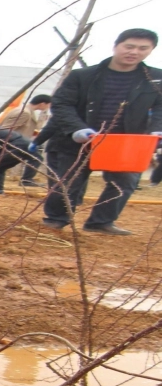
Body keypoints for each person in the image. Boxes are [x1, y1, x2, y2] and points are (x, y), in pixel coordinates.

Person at [40, 28, 162, 235]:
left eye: (143, 48)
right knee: (68, 181)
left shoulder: (156, 79)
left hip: (127, 143)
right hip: (82, 139)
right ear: (116, 46)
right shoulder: (83, 76)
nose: (134, 52)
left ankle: (101, 222)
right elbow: (62, 104)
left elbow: (160, 108)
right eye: (129, 46)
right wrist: (78, 129)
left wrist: (155, 131)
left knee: (124, 183)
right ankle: (56, 219)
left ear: (151, 50)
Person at [0, 94, 51, 187]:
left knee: (35, 158)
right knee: (36, 158)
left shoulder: (25, 110)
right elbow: (7, 129)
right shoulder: (24, 112)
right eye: (48, 104)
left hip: (18, 142)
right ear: (42, 104)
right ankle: (26, 180)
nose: (49, 107)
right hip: (16, 142)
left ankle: (26, 179)